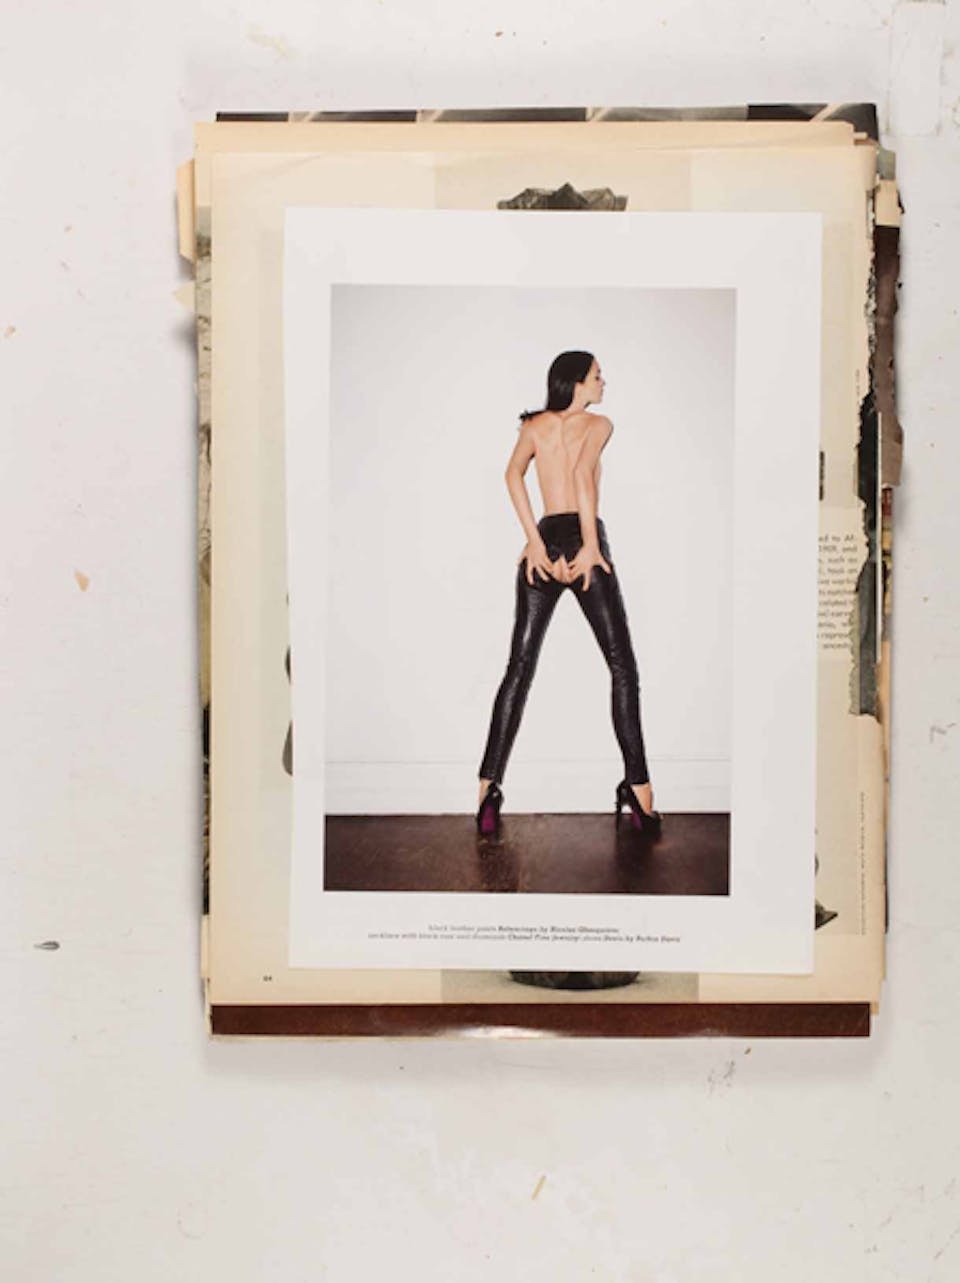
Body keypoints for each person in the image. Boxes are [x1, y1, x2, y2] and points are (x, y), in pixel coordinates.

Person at [476, 350, 662, 840]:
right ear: (577, 382)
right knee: (622, 666)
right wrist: (591, 548)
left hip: (543, 539)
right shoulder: (599, 425)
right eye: (597, 376)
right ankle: (639, 793)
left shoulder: (534, 425)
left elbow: (512, 475)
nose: (603, 382)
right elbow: (581, 477)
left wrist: (535, 544)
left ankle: (487, 792)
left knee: (518, 669)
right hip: (582, 538)